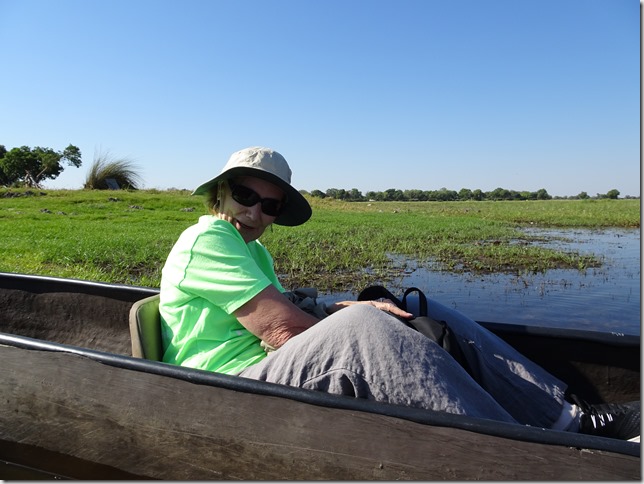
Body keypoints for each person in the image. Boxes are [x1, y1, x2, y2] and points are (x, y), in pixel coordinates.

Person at [159, 146, 640, 440]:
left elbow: (286, 311)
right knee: (365, 326)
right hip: (224, 386)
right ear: (221, 192)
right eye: (246, 196)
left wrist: (350, 306)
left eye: (268, 205)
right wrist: (356, 319)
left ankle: (570, 420)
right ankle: (524, 451)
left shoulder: (252, 249)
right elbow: (283, 330)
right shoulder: (209, 237)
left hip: (263, 369)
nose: (255, 213)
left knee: (409, 305)